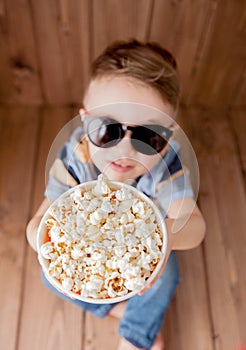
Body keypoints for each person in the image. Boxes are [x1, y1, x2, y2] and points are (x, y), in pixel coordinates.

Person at [26, 39, 206, 350]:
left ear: (169, 134)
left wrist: (170, 238)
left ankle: (135, 334)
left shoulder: (167, 165)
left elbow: (196, 226)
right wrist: (46, 243)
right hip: (87, 252)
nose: (124, 150)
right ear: (85, 122)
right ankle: (130, 312)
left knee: (166, 277)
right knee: (47, 278)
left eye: (149, 135)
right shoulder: (76, 157)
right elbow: (40, 219)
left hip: (140, 249)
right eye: (107, 130)